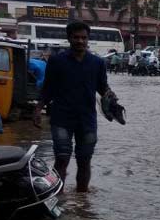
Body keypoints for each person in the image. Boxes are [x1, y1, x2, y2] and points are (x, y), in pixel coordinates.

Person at [33, 20, 117, 193]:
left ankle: (82, 201)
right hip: (61, 117)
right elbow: (48, 88)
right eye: (76, 37)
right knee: (62, 158)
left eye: (83, 38)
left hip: (87, 119)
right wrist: (37, 108)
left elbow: (102, 87)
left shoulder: (97, 63)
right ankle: (57, 196)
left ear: (88, 39)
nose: (80, 41)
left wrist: (110, 97)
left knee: (84, 160)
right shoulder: (57, 61)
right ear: (69, 38)